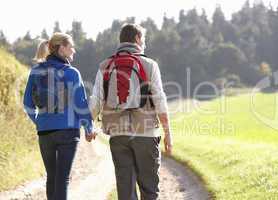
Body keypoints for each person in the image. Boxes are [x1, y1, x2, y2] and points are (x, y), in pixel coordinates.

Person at [90, 23, 173, 200]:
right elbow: (160, 101)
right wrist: (168, 133)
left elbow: (95, 101)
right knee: (149, 189)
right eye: (143, 39)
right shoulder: (150, 65)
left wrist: (89, 126)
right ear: (137, 38)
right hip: (146, 133)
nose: (144, 43)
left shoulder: (105, 65)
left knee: (125, 191)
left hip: (118, 134)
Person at [23, 33, 96, 200]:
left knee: (52, 177)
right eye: (71, 46)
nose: (74, 50)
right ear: (61, 48)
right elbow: (81, 105)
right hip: (68, 132)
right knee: (62, 179)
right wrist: (89, 128)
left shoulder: (35, 71)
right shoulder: (71, 73)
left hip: (45, 133)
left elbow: (28, 104)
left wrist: (39, 122)